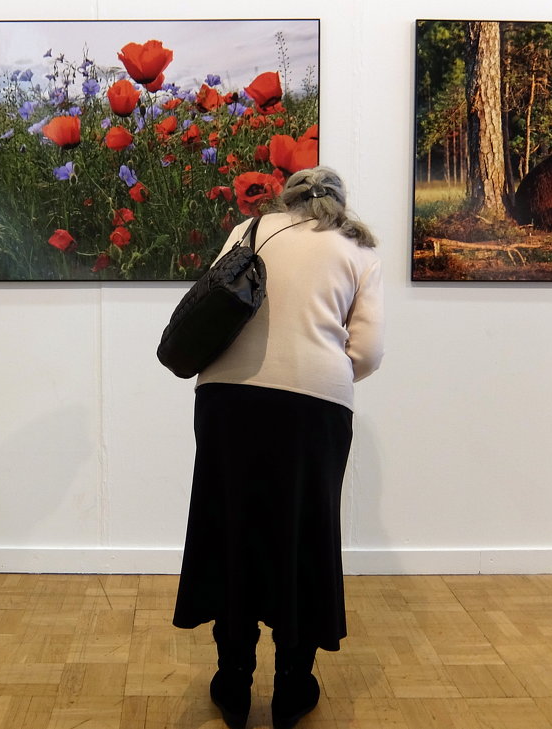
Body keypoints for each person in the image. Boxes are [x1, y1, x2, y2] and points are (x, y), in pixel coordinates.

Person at [172, 166, 384, 729]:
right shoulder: (357, 251)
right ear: (338, 203)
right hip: (315, 406)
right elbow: (368, 352)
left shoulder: (249, 230)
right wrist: (321, 371)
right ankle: (293, 683)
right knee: (305, 533)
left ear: (285, 198)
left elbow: (213, 307)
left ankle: (233, 681)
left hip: (226, 400)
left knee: (231, 527)